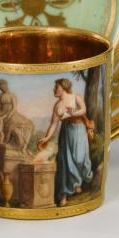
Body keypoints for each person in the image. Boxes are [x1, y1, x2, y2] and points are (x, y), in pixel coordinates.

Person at [38, 78, 93, 207]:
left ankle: (78, 181)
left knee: (79, 158)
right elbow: (54, 124)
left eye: (56, 87)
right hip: (66, 132)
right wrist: (47, 137)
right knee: (65, 162)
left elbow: (83, 110)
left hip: (79, 130)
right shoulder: (57, 105)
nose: (54, 89)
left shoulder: (75, 97)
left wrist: (73, 113)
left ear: (63, 87)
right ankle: (65, 194)